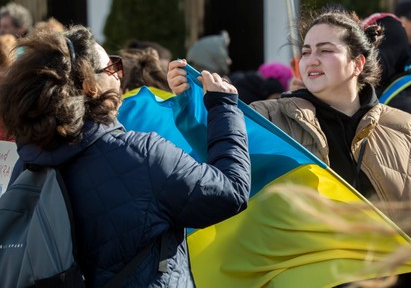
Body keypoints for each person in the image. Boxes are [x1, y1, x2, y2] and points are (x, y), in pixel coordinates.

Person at [168, 8, 411, 287]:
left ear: (357, 63)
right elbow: (217, 157)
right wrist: (197, 106)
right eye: (307, 51)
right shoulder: (267, 118)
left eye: (325, 50)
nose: (311, 60)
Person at [0, 25, 251, 287]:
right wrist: (223, 108)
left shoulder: (27, 165)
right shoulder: (143, 155)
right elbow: (231, 191)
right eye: (111, 69)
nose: (119, 77)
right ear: (89, 86)